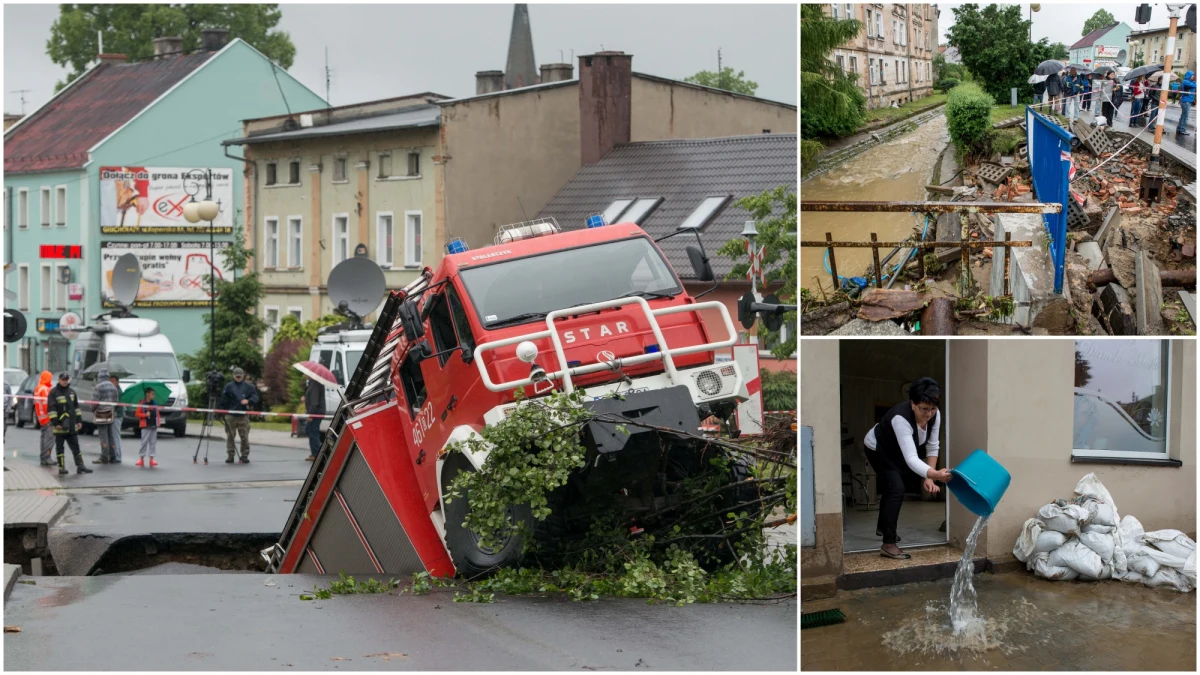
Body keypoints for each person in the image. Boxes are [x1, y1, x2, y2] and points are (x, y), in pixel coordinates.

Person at [863, 377, 951, 560]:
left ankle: (883, 526)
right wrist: (934, 473)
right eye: (923, 409)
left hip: (899, 452)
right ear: (913, 404)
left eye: (932, 409)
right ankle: (888, 544)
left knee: (894, 484)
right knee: (896, 487)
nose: (928, 414)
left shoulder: (936, 415)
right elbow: (911, 458)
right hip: (878, 448)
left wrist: (929, 477)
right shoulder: (900, 418)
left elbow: (933, 446)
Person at [47, 372, 92, 476]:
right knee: (60, 448)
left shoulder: (72, 392)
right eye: (63, 379)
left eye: (66, 379)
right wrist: (56, 423)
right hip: (60, 426)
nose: (65, 381)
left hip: (71, 425)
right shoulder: (53, 393)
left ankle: (80, 466)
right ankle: (61, 467)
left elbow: (76, 408)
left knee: (76, 447)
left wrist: (79, 421)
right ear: (59, 380)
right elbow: (51, 409)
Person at [221, 367, 258, 464]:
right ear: (233, 376)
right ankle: (230, 455)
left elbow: (255, 397)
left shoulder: (248, 387)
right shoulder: (228, 386)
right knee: (230, 436)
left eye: (240, 376)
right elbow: (223, 400)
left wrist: (248, 401)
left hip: (243, 415)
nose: (238, 378)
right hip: (231, 414)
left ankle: (244, 455)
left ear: (243, 376)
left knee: (244, 436)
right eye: (237, 376)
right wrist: (223, 412)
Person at [92, 368, 122, 464]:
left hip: (101, 413)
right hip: (111, 412)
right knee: (111, 435)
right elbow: (116, 401)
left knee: (103, 436)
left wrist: (93, 410)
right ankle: (113, 456)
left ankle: (104, 457)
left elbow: (94, 402)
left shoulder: (98, 387)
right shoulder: (113, 386)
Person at [134, 388, 161, 468]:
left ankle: (152, 458)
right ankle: (141, 458)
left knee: (153, 442)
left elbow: (157, 413)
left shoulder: (154, 403)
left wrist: (158, 422)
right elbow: (137, 414)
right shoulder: (142, 403)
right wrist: (145, 415)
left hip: (153, 425)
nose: (153, 395)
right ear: (147, 394)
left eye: (154, 394)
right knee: (144, 442)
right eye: (152, 394)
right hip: (145, 425)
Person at [303, 377, 326, 462]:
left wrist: (310, 415)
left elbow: (314, 402)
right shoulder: (313, 383)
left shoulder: (315, 384)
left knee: (312, 431)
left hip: (315, 413)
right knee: (310, 430)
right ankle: (315, 452)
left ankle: (316, 454)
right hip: (316, 412)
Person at [34, 371, 54, 466]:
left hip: (41, 417)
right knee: (49, 438)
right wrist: (51, 417)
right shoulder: (45, 389)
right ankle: (47, 457)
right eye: (50, 378)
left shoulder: (38, 388)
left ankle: (43, 457)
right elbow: (47, 405)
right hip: (47, 418)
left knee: (43, 438)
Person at [1177, 71, 1195, 137]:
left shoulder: (1188, 82)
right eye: (1192, 75)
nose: (1193, 76)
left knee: (1183, 116)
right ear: (1189, 75)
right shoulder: (1186, 81)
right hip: (1186, 101)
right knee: (1185, 116)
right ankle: (1182, 129)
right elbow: (1195, 85)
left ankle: (1179, 128)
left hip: (1187, 101)